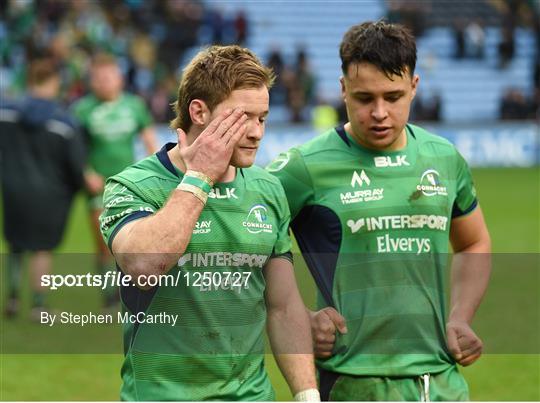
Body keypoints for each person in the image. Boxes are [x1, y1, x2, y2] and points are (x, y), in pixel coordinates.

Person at [268, 21, 491, 401]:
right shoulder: (304, 167)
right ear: (342, 91)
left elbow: (474, 242)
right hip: (353, 384)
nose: (379, 112)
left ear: (415, 87)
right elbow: (240, 242)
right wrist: (298, 318)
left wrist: (460, 316)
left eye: (393, 96)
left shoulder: (445, 159)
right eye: (364, 98)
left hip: (443, 384)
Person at [99, 45, 319, 401]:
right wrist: (200, 176)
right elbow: (143, 265)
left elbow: (283, 305)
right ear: (198, 111)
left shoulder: (267, 190)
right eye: (242, 117)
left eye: (262, 118)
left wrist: (307, 394)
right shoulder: (133, 185)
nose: (256, 133)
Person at [0, 58, 85, 319]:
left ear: (29, 80)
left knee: (16, 243)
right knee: (42, 248)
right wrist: (80, 186)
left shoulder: (6, 114)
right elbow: (75, 164)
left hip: (13, 187)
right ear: (55, 82)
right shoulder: (65, 122)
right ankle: (38, 304)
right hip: (51, 194)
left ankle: (13, 299)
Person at [72, 53, 157, 309]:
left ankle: (132, 288)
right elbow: (74, 148)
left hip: (130, 185)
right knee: (104, 243)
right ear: (92, 82)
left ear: (119, 79)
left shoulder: (134, 106)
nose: (104, 83)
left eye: (109, 77)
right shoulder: (82, 110)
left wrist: (155, 173)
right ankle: (109, 293)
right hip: (100, 186)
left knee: (135, 239)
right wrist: (86, 172)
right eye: (99, 79)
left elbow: (150, 140)